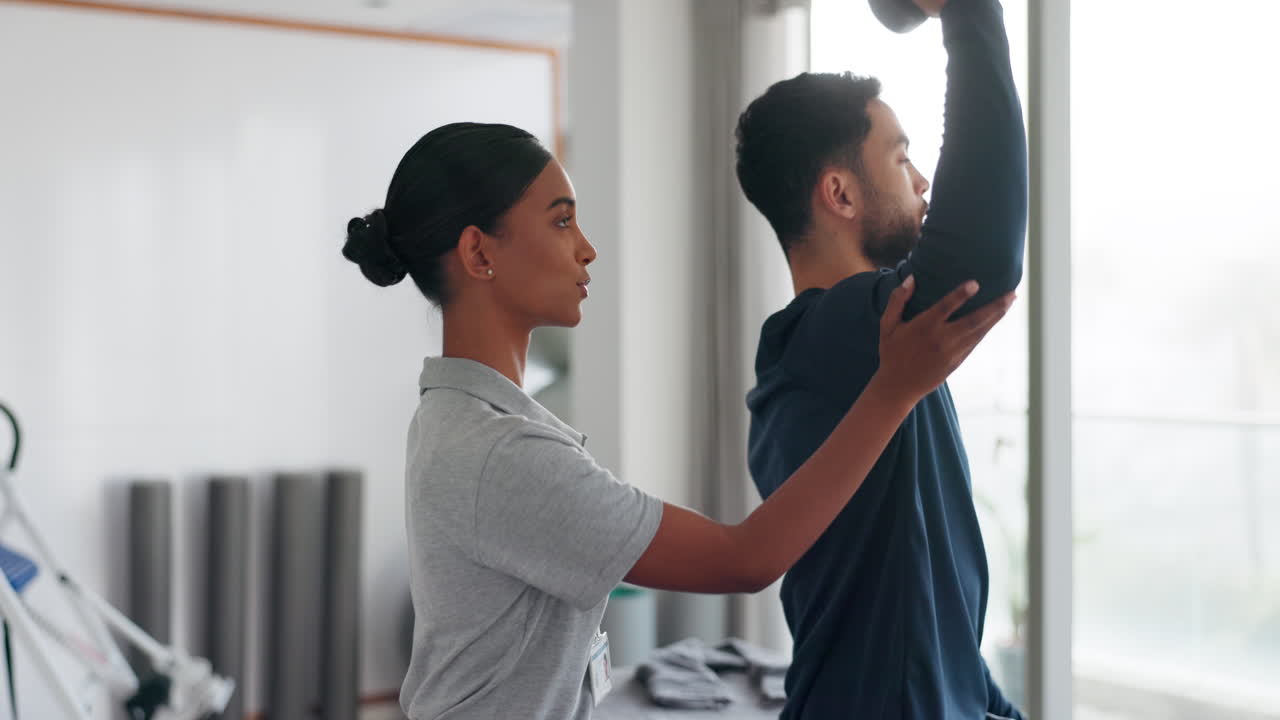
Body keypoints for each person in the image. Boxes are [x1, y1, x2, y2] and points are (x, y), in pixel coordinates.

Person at [341, 121, 1013, 719]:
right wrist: (892, 392)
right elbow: (746, 558)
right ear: (480, 254)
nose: (587, 249)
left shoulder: (460, 418)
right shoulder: (498, 453)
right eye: (561, 221)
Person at [733, 0, 1028, 717]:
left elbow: (930, 621)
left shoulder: (888, 347)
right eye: (899, 157)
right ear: (838, 193)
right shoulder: (829, 337)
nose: (922, 180)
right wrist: (968, 13)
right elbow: (980, 256)